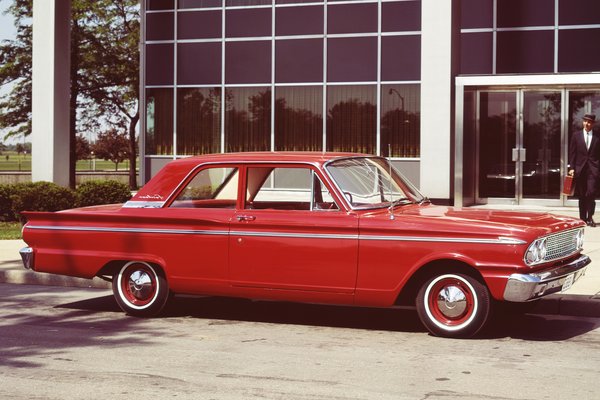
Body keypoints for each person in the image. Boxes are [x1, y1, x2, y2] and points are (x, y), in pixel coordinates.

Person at [569, 113, 599, 227]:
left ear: (593, 124)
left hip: (593, 170)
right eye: (585, 121)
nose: (587, 123)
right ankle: (582, 218)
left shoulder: (597, 137)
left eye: (589, 122)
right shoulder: (576, 136)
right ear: (583, 122)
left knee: (591, 193)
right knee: (582, 195)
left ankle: (590, 217)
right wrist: (572, 168)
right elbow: (572, 153)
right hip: (579, 169)